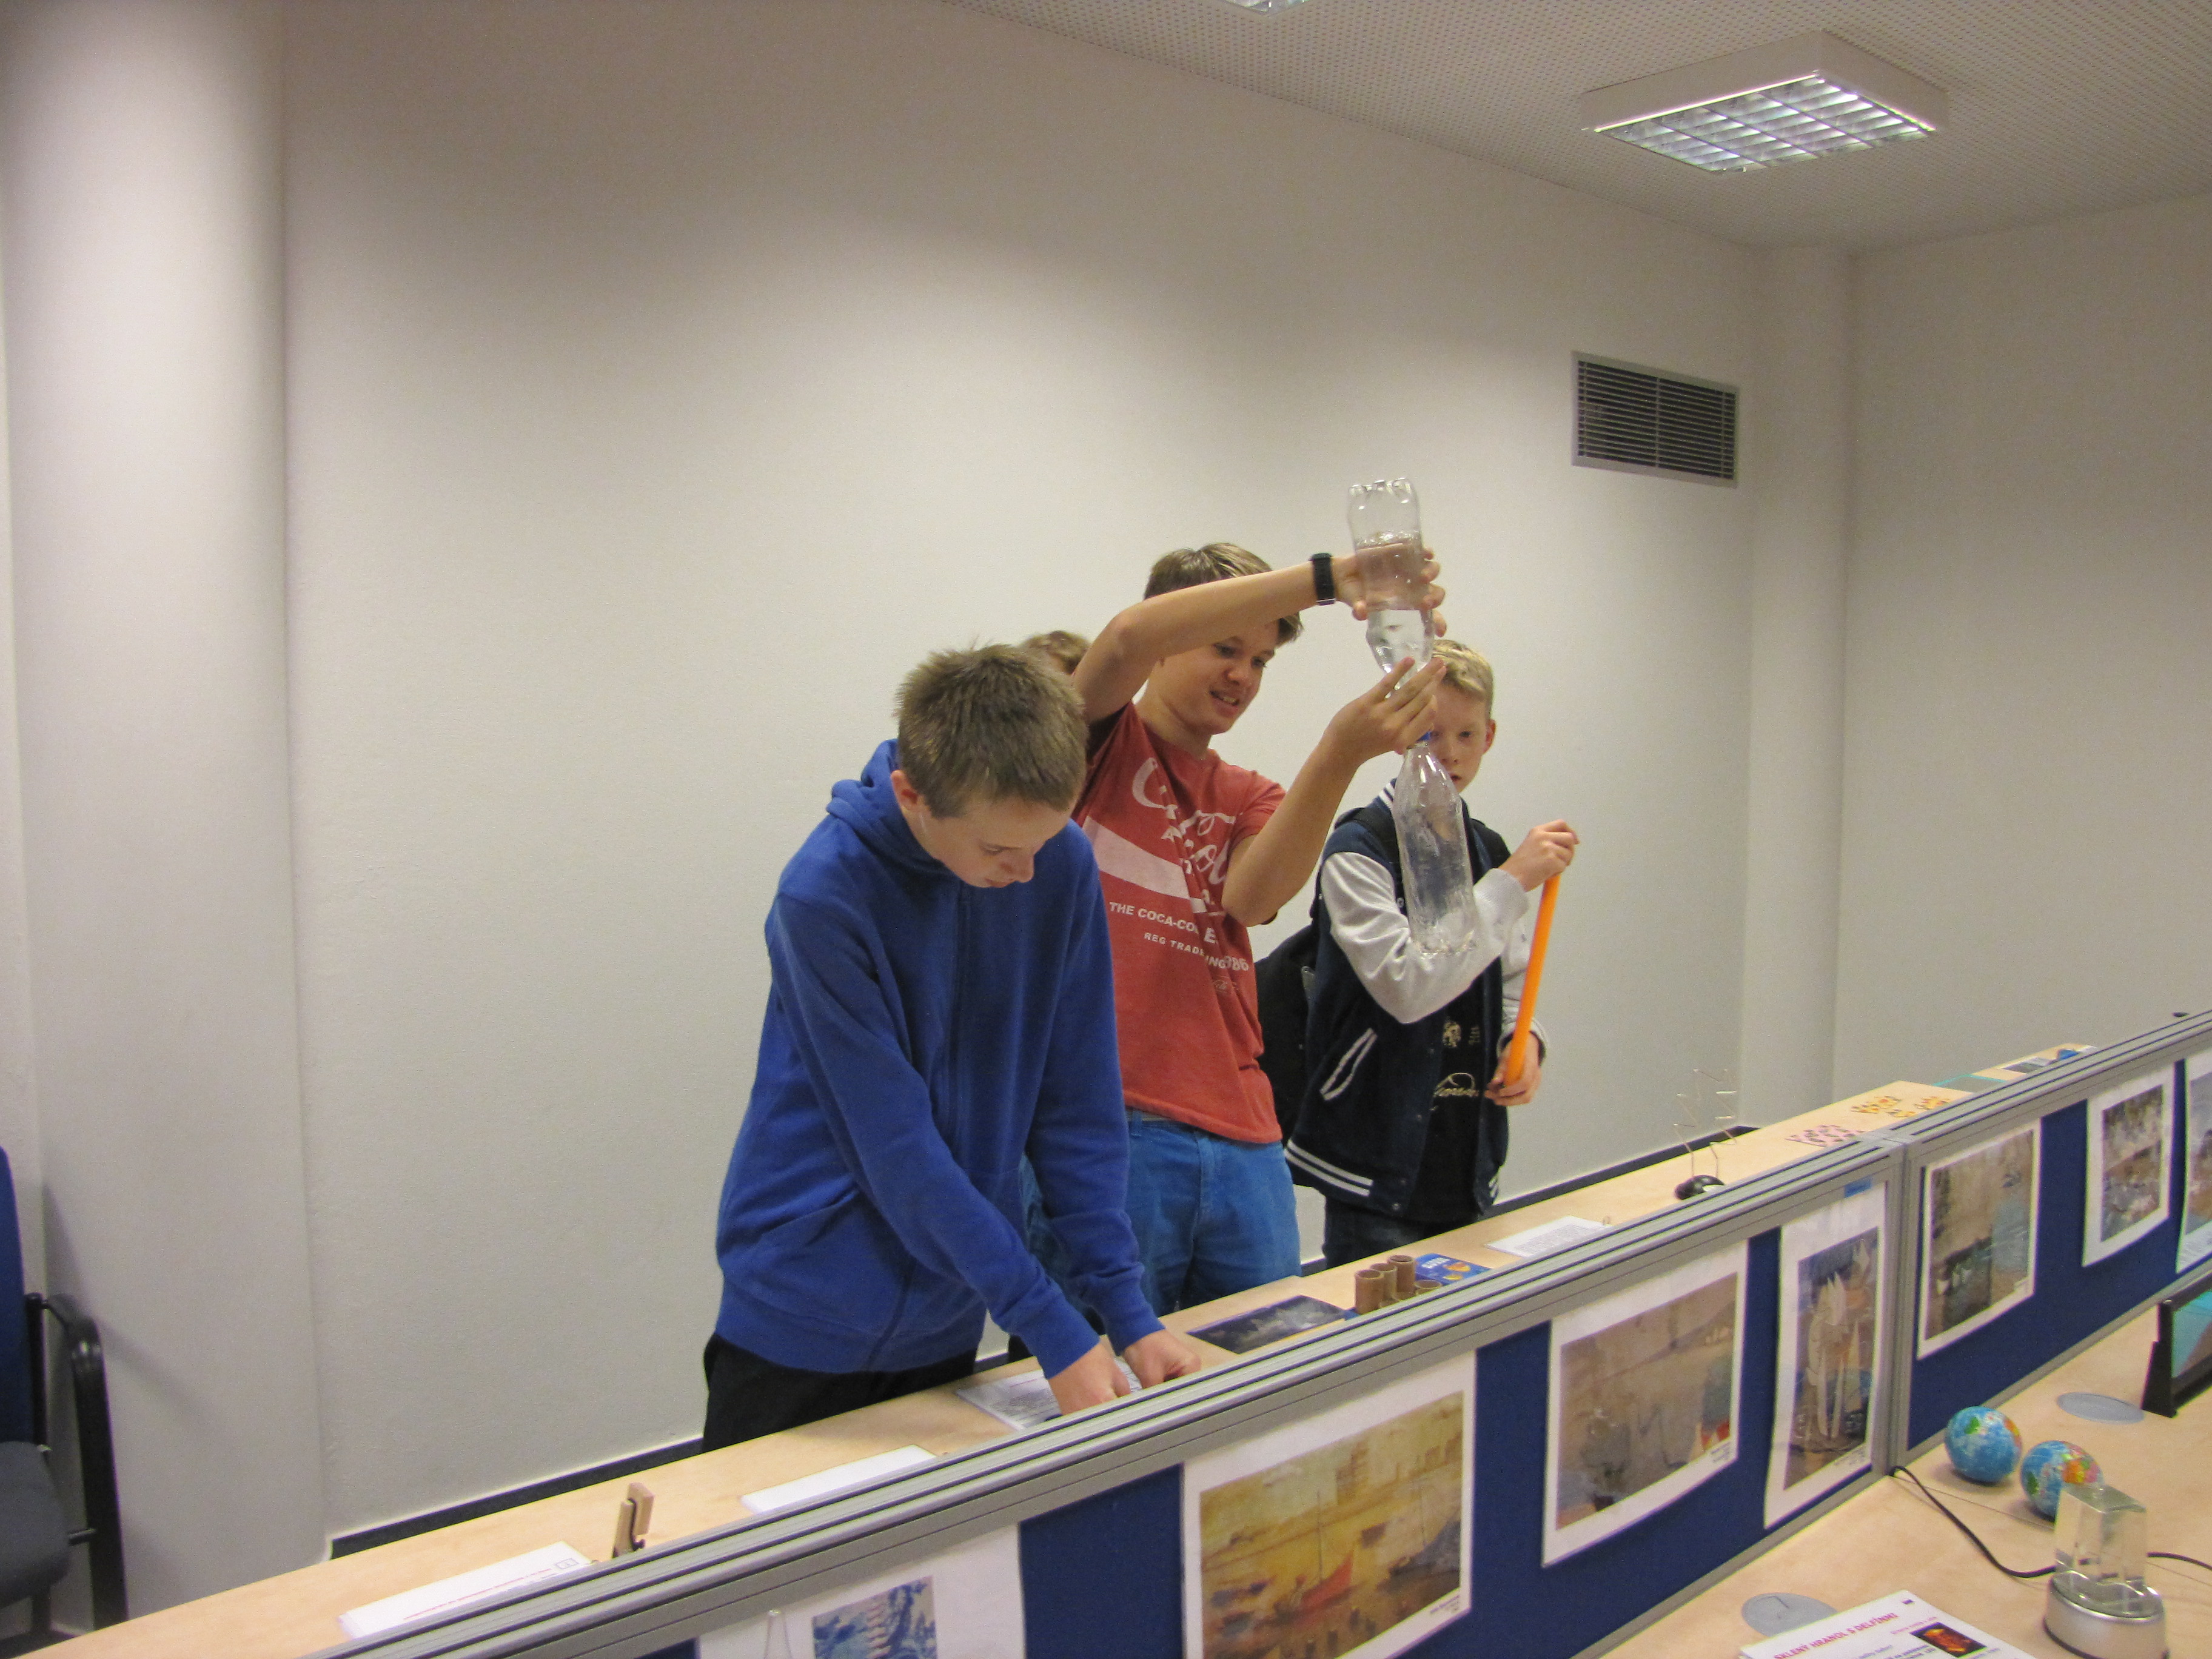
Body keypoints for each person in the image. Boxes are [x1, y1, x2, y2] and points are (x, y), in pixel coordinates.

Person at [705, 645, 1199, 1450]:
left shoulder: (1058, 864)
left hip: (947, 1308)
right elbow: (897, 1149)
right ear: (914, 796)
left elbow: (1076, 1103)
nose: (1026, 872)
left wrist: (1126, 1309)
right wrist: (1050, 1325)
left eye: (1044, 841)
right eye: (1000, 851)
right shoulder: (823, 896)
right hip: (802, 1318)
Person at [1061, 543, 1446, 1312]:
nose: (1243, 676)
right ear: (1173, 635)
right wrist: (1327, 580)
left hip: (1243, 1130)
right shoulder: (1086, 744)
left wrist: (1341, 752)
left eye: (1262, 661)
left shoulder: (1249, 794)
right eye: (1225, 647)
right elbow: (1128, 639)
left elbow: (1251, 897)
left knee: (1267, 1367)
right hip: (1110, 1123)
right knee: (1112, 1374)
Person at [1285, 640, 1578, 1267]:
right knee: (1381, 1324)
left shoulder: (1489, 849)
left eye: (1467, 735)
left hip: (1465, 1160)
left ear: (1489, 737)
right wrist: (1509, 883)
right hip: (1374, 1168)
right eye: (1429, 735)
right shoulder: (1359, 849)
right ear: (1401, 737)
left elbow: (1508, 981)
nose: (1450, 753)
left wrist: (1523, 1041)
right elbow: (1408, 988)